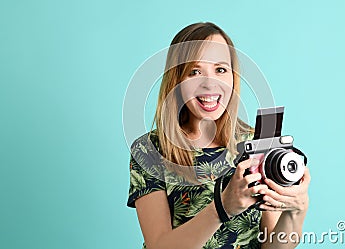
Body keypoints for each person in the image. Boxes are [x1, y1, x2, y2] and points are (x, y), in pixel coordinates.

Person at [127, 22, 311, 249]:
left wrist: (297, 210)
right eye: (195, 72)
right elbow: (159, 246)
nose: (209, 83)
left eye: (221, 69)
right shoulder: (150, 149)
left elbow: (273, 246)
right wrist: (223, 207)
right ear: (177, 81)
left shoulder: (256, 142)